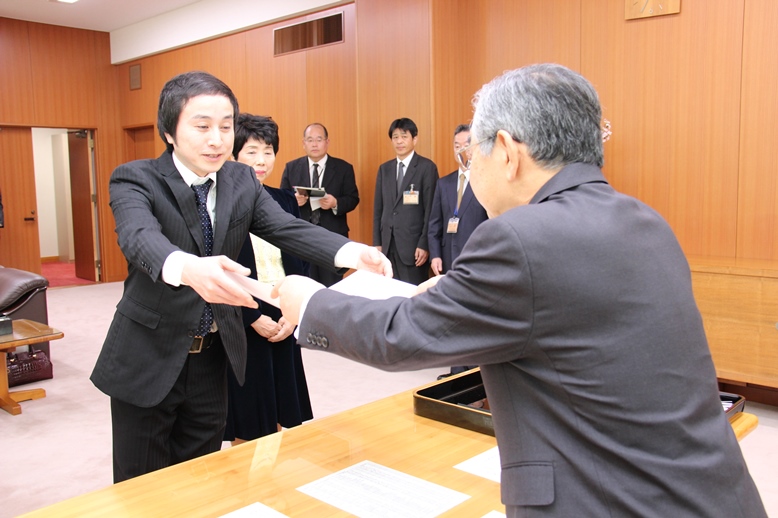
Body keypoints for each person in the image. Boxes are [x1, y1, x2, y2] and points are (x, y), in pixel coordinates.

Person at [273, 64, 767, 517]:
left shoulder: (519, 236)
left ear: (506, 151)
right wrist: (461, 294)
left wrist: (311, 302)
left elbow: (402, 337)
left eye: (475, 153)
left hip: (613, 501)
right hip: (711, 493)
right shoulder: (644, 219)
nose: (472, 166)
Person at [90, 71, 390, 483]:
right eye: (202, 126)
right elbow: (139, 238)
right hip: (149, 354)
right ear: (169, 131)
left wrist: (351, 251)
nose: (217, 139)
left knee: (203, 476)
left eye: (226, 127)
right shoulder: (136, 177)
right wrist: (188, 267)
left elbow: (286, 227)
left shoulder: (240, 179)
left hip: (215, 354)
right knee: (142, 486)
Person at [223, 113, 312, 445]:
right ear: (233, 155)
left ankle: (270, 487)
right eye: (251, 151)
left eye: (268, 152)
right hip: (243, 311)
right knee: (249, 419)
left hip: (282, 307)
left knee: (280, 413)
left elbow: (300, 256)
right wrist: (250, 317)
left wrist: (293, 313)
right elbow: (215, 270)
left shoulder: (285, 199)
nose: (261, 161)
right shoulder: (221, 204)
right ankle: (248, 489)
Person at [428, 124, 488, 379]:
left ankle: (473, 369)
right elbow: (434, 223)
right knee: (451, 313)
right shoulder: (444, 183)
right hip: (449, 258)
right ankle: (455, 369)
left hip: (477, 259)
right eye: (457, 145)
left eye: (466, 144)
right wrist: (435, 254)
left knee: (473, 315)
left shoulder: (487, 182)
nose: (461, 150)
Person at [280, 123, 359, 286]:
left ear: (327, 142)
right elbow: (281, 200)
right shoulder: (292, 167)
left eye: (319, 139)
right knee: (304, 284)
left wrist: (336, 202)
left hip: (333, 237)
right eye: (310, 140)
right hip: (301, 237)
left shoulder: (344, 168)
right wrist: (293, 201)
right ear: (303, 143)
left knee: (333, 286)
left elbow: (353, 198)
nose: (314, 144)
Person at [373, 118, 438, 285]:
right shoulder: (384, 169)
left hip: (413, 247)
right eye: (395, 137)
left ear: (414, 139)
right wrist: (377, 243)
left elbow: (431, 209)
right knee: (389, 293)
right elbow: (378, 209)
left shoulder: (426, 168)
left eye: (404, 136)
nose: (399, 141)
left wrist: (424, 244)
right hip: (388, 245)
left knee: (413, 295)